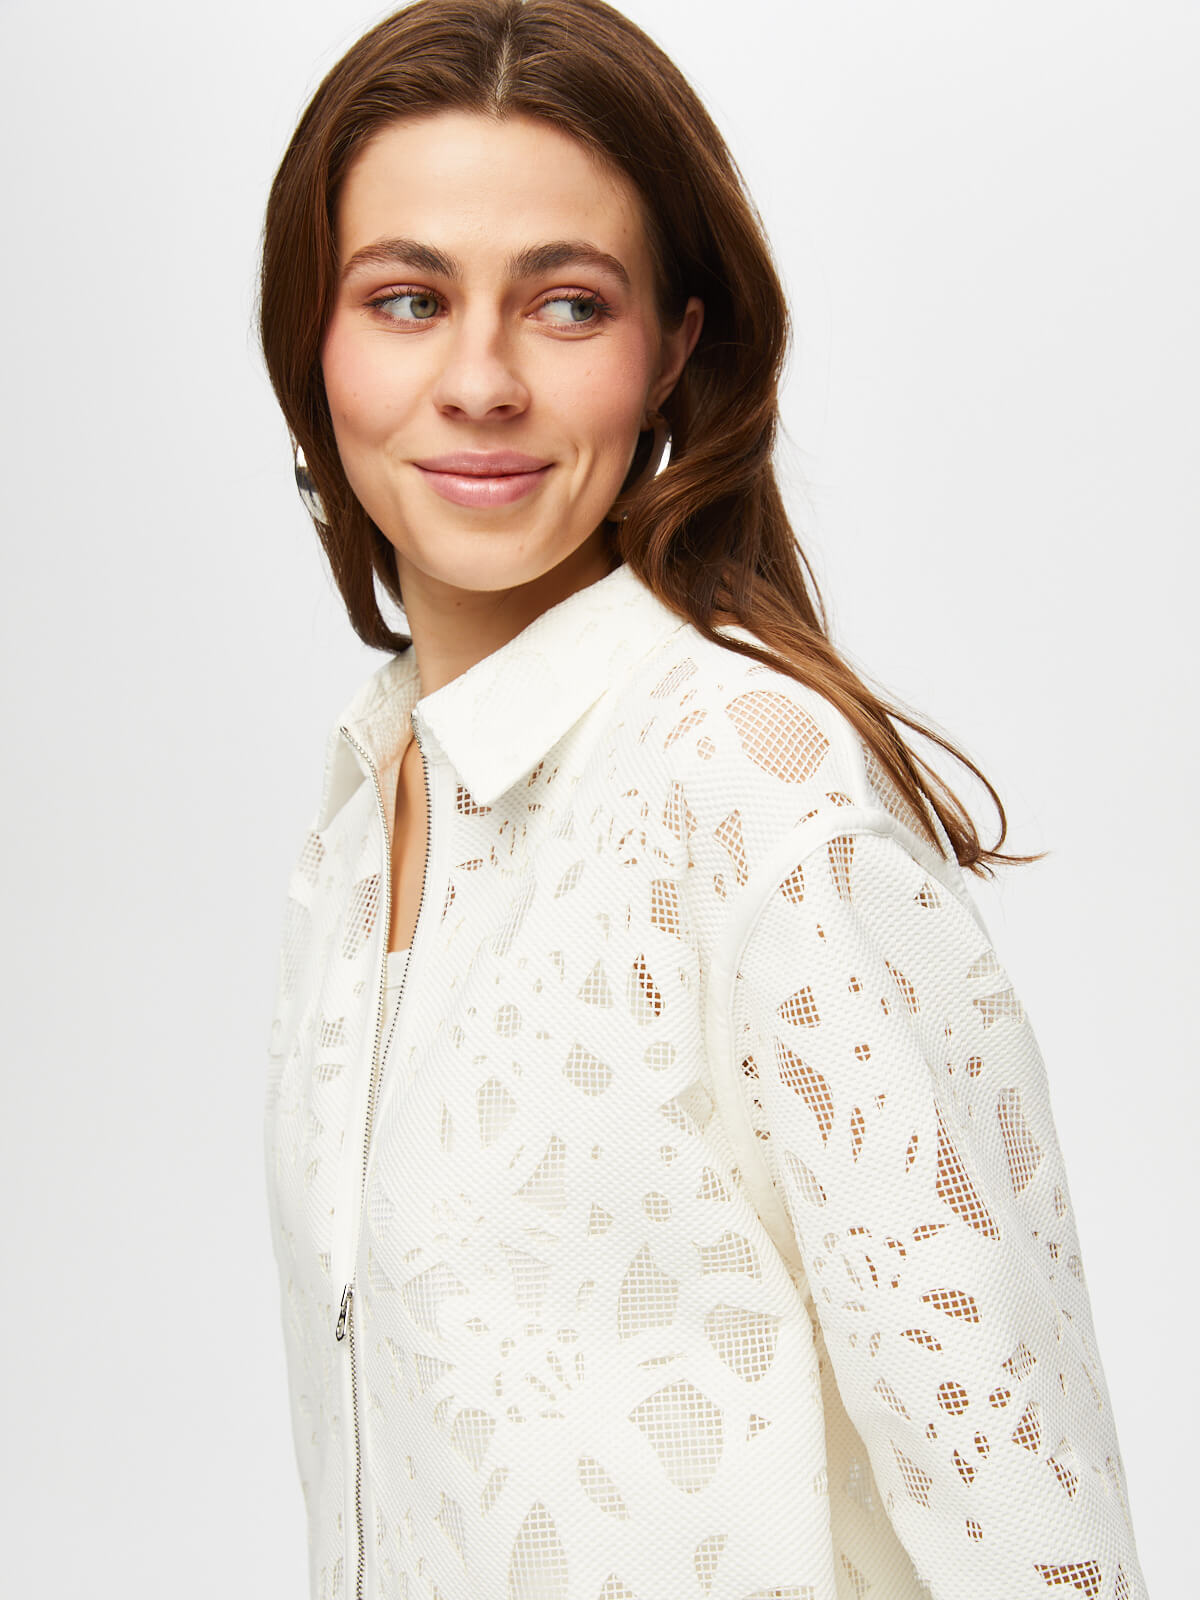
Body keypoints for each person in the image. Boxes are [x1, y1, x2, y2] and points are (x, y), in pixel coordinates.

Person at [259, 3, 1147, 1597]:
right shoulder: (372, 798)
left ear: (675, 345)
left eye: (567, 305)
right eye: (407, 299)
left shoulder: (749, 785)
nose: (479, 380)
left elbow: (1025, 1517)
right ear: (309, 343)